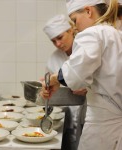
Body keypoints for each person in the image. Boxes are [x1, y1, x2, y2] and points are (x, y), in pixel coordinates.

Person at [40, 0, 122, 150]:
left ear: (89, 11)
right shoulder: (116, 34)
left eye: (75, 20)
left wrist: (54, 79)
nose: (75, 27)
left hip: (103, 128)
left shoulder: (93, 33)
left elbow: (75, 76)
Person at [43, 14, 87, 150]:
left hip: (90, 112)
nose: (58, 44)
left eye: (60, 37)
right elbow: (51, 87)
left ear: (71, 30)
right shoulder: (54, 59)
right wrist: (45, 88)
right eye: (53, 41)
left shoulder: (86, 49)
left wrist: (88, 89)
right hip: (66, 114)